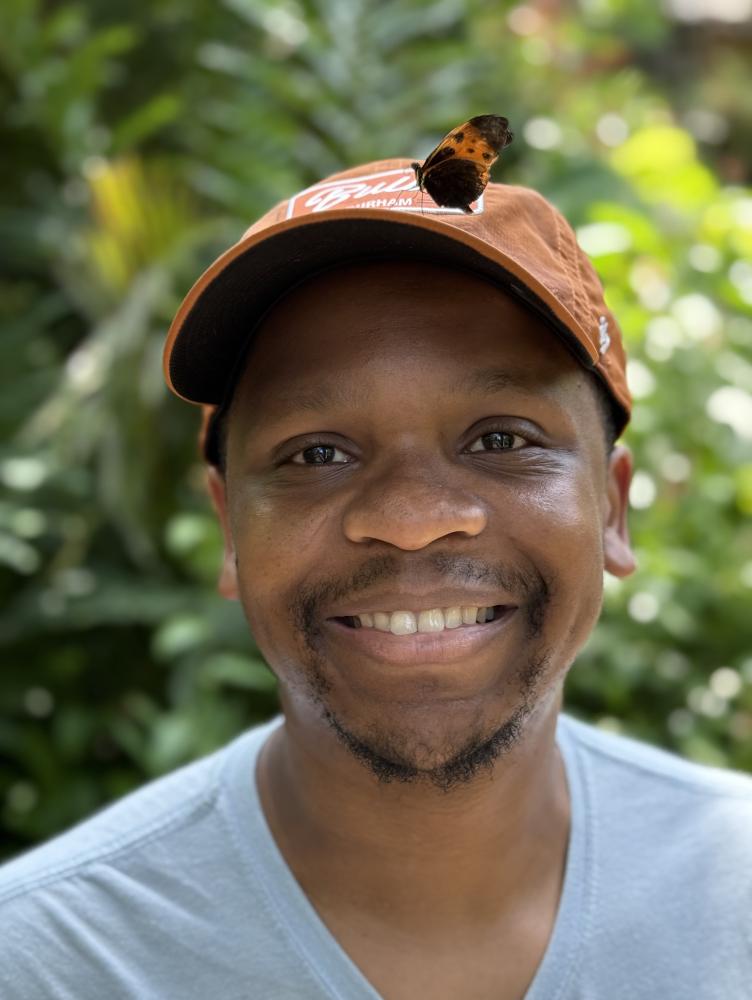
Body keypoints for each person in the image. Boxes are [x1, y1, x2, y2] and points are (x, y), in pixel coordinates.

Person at [1, 157, 750, 1000]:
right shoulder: (46, 964)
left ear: (611, 510)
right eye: (316, 454)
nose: (412, 516)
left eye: (501, 439)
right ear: (229, 531)